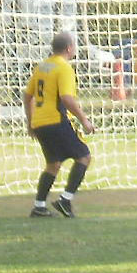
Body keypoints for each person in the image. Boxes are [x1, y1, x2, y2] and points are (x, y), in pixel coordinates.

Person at [24, 31, 95, 218]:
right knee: (84, 157)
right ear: (69, 48)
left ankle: (39, 206)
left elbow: (27, 95)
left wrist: (30, 122)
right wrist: (84, 120)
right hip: (56, 120)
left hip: (40, 122)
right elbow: (66, 98)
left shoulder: (41, 67)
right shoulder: (64, 68)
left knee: (53, 164)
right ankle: (65, 200)